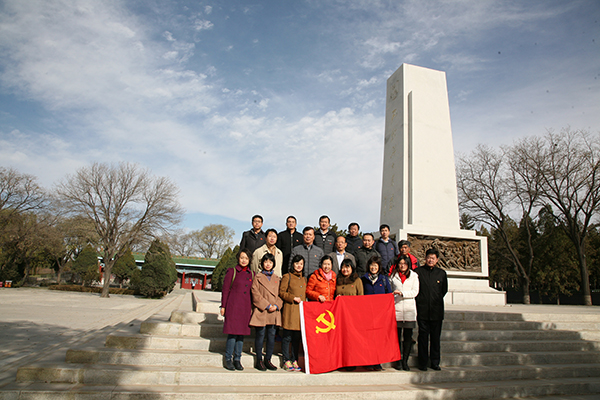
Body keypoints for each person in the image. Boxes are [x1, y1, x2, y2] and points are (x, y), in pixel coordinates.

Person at [220, 249, 254, 371]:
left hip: (245, 308)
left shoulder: (252, 274)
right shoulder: (232, 272)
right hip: (233, 306)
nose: (244, 260)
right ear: (238, 259)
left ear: (249, 260)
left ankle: (237, 359)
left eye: (246, 258)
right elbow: (225, 290)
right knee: (232, 334)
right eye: (242, 258)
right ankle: (228, 358)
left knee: (241, 335)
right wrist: (223, 306)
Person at [415, 248, 448, 371]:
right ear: (425, 258)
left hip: (436, 311)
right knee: (423, 338)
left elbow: (443, 290)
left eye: (433, 258)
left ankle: (435, 362)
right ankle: (422, 363)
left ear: (437, 260)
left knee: (435, 338)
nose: (430, 260)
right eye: (429, 257)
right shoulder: (418, 272)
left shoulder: (441, 273)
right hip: (422, 310)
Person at [249, 253, 283, 371]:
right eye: (266, 262)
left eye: (270, 262)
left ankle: (268, 359)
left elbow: (281, 294)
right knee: (260, 335)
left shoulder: (277, 278)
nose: (268, 264)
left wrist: (277, 305)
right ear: (262, 263)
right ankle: (259, 359)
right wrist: (267, 305)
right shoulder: (257, 277)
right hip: (262, 310)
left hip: (274, 311)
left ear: (273, 264)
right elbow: (255, 293)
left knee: (271, 336)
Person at [390, 254, 419, 371]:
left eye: (405, 264)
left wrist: (403, 294)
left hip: (408, 310)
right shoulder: (393, 276)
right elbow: (390, 290)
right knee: (396, 338)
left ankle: (405, 360)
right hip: (397, 309)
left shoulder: (414, 276)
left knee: (407, 337)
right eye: (400, 263)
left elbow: (415, 291)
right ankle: (397, 361)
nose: (402, 266)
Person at [279, 254, 307, 372]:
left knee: (297, 338)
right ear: (292, 264)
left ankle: (294, 359)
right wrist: (292, 298)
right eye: (296, 263)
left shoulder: (304, 279)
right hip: (290, 310)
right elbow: (282, 292)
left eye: (301, 264)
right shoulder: (287, 276)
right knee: (287, 337)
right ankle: (286, 360)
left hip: (300, 312)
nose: (299, 266)